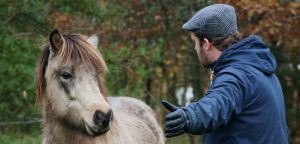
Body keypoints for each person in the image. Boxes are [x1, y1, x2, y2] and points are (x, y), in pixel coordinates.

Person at [161, 3, 289, 144]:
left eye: (195, 42)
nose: (195, 48)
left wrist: (190, 116)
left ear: (206, 44)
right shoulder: (262, 71)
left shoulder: (237, 76)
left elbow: (216, 104)